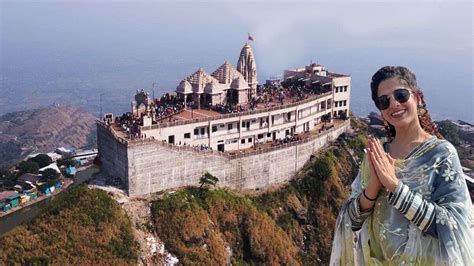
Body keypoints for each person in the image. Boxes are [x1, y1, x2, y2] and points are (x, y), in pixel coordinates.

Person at [330, 66, 473, 265]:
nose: (394, 104)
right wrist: (374, 186)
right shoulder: (377, 154)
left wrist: (395, 187)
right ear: (380, 110)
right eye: (384, 101)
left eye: (401, 95)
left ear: (418, 98)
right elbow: (351, 221)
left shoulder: (441, 154)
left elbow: (455, 226)